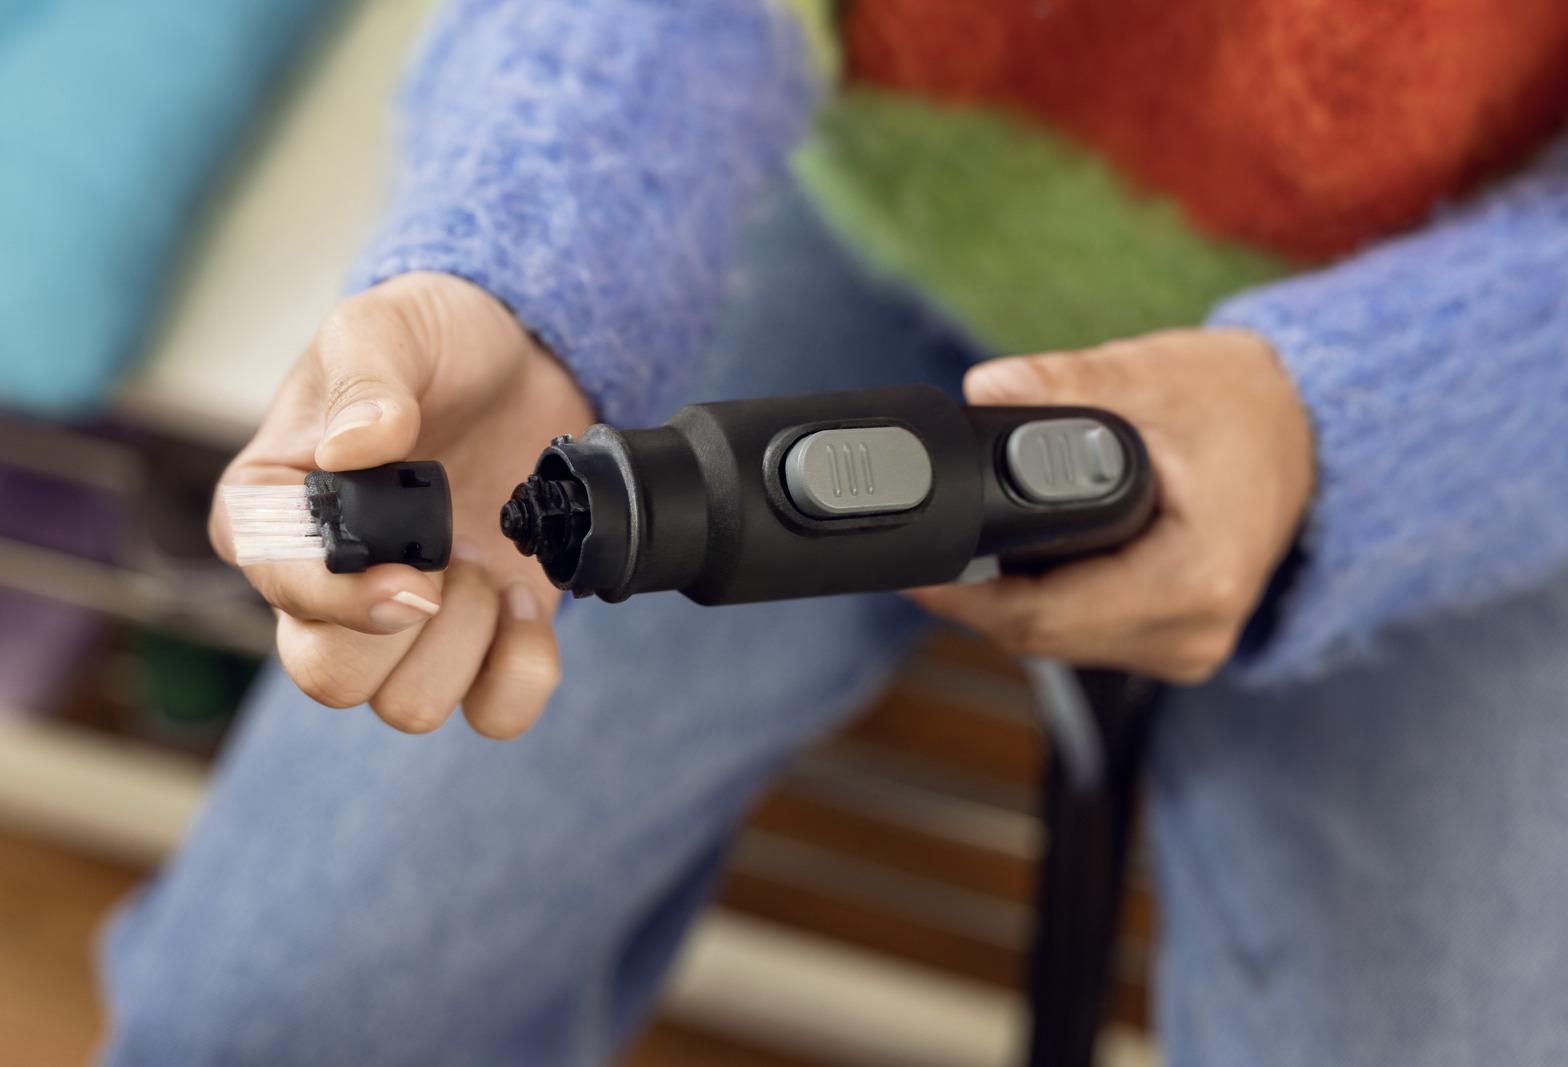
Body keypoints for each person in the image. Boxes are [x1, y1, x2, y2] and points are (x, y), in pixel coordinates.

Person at [100, 2, 1568, 1064]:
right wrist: (524, 274)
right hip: (861, 178)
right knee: (275, 1011)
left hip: (1486, 352)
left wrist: (1363, 427)